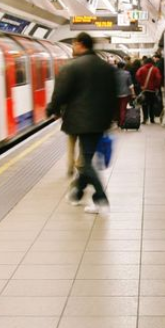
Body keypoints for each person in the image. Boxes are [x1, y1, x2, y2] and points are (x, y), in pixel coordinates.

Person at [47, 33, 116, 213]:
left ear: (80, 44)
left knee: (85, 163)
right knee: (87, 158)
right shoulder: (106, 67)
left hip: (80, 121)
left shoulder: (71, 67)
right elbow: (112, 95)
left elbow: (60, 93)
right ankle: (77, 193)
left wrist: (52, 110)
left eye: (73, 43)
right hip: (100, 121)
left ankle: (101, 199)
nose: (72, 47)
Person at [135, 55, 163, 124]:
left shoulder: (141, 69)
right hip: (152, 90)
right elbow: (158, 78)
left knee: (144, 104)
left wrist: (141, 84)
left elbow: (137, 76)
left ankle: (145, 119)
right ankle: (152, 119)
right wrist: (156, 86)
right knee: (152, 104)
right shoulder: (155, 69)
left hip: (144, 90)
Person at [114, 59, 134, 127]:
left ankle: (118, 121)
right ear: (124, 66)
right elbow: (130, 85)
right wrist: (133, 93)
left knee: (117, 108)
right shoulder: (127, 73)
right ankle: (122, 123)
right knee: (123, 108)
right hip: (125, 94)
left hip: (116, 94)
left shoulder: (114, 73)